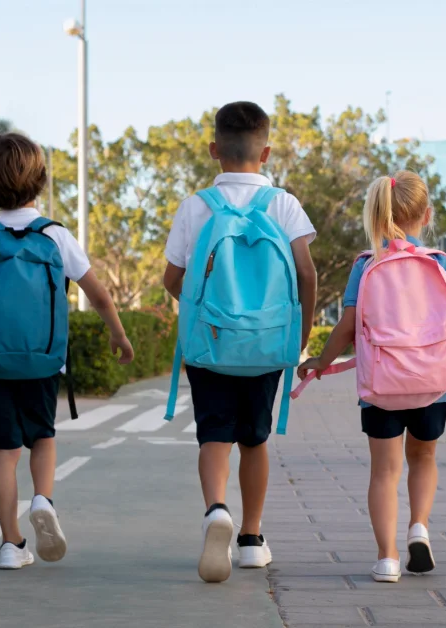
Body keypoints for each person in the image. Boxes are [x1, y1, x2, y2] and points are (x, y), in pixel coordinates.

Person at [0, 132, 134, 570]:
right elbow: (100, 295)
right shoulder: (55, 236)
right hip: (43, 361)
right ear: (42, 181)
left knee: (3, 453)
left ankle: (11, 545)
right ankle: (43, 500)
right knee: (43, 438)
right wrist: (118, 335)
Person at [162, 101, 318, 583]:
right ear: (266, 151)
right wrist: (301, 332)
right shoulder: (284, 205)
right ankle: (251, 539)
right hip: (268, 343)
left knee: (214, 434)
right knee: (255, 438)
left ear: (214, 150)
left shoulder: (196, 207)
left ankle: (216, 512)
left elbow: (173, 278)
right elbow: (306, 273)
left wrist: (203, 306)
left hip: (210, 343)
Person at [298, 171, 446, 583]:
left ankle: (387, 558)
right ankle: (419, 527)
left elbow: (347, 326)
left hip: (382, 387)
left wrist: (321, 362)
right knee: (424, 457)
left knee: (384, 471)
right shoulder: (440, 263)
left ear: (377, 216)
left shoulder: (366, 265)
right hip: (433, 383)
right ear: (426, 215)